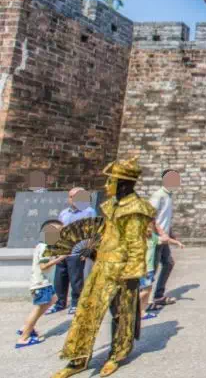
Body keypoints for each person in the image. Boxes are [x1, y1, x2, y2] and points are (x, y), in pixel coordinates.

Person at [52, 156, 157, 378]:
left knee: (121, 313)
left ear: (123, 184)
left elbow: (136, 244)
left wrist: (132, 274)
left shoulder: (135, 209)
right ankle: (78, 357)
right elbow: (107, 234)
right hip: (102, 266)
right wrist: (93, 251)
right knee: (86, 310)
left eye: (111, 181)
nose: (107, 185)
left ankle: (117, 354)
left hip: (122, 270)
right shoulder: (111, 206)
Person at [16, 220, 67, 349]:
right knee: (38, 309)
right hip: (41, 284)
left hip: (43, 284)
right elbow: (43, 266)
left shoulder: (42, 245)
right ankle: (23, 338)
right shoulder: (45, 247)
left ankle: (26, 327)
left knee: (53, 299)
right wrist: (60, 259)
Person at [48, 188, 96, 316]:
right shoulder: (64, 213)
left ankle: (76, 303)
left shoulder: (89, 212)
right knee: (60, 278)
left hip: (77, 251)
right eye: (70, 197)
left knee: (76, 280)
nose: (72, 199)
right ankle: (59, 303)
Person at [149, 169, 184, 308]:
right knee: (151, 270)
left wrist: (170, 233)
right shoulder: (158, 196)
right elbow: (150, 217)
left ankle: (158, 296)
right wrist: (161, 234)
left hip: (164, 238)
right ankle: (146, 301)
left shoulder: (168, 196)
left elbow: (164, 218)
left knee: (168, 263)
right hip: (156, 239)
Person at [139, 219, 159, 320]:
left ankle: (142, 312)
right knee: (146, 290)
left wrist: (176, 242)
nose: (150, 228)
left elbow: (163, 240)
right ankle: (129, 304)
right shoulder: (142, 239)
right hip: (145, 269)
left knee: (148, 289)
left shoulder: (152, 237)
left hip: (149, 269)